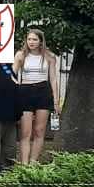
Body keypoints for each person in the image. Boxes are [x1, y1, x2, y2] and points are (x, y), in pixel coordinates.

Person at [14, 28, 61, 165]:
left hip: (43, 91)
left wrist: (56, 100)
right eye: (29, 39)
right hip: (25, 90)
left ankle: (33, 163)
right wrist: (16, 87)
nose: (31, 42)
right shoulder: (21, 55)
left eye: (35, 39)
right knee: (25, 132)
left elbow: (53, 78)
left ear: (41, 41)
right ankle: (24, 164)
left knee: (39, 131)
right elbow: (12, 73)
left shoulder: (49, 56)